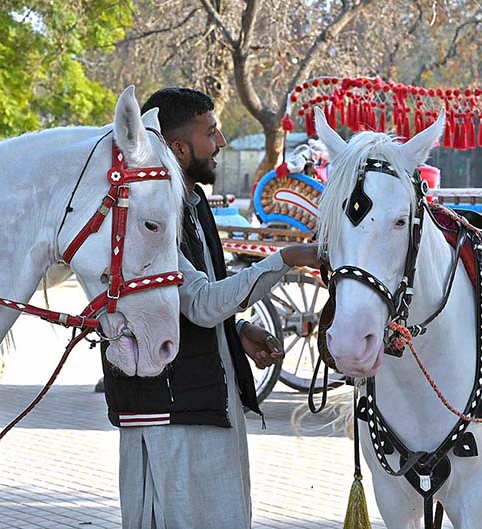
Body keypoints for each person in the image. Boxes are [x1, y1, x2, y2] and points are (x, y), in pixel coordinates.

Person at [99, 87, 322, 529]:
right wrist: (285, 260)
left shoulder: (192, 205)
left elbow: (190, 302)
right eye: (211, 132)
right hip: (174, 412)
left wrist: (235, 333)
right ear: (179, 148)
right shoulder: (153, 219)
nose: (220, 142)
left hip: (201, 402)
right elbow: (200, 304)